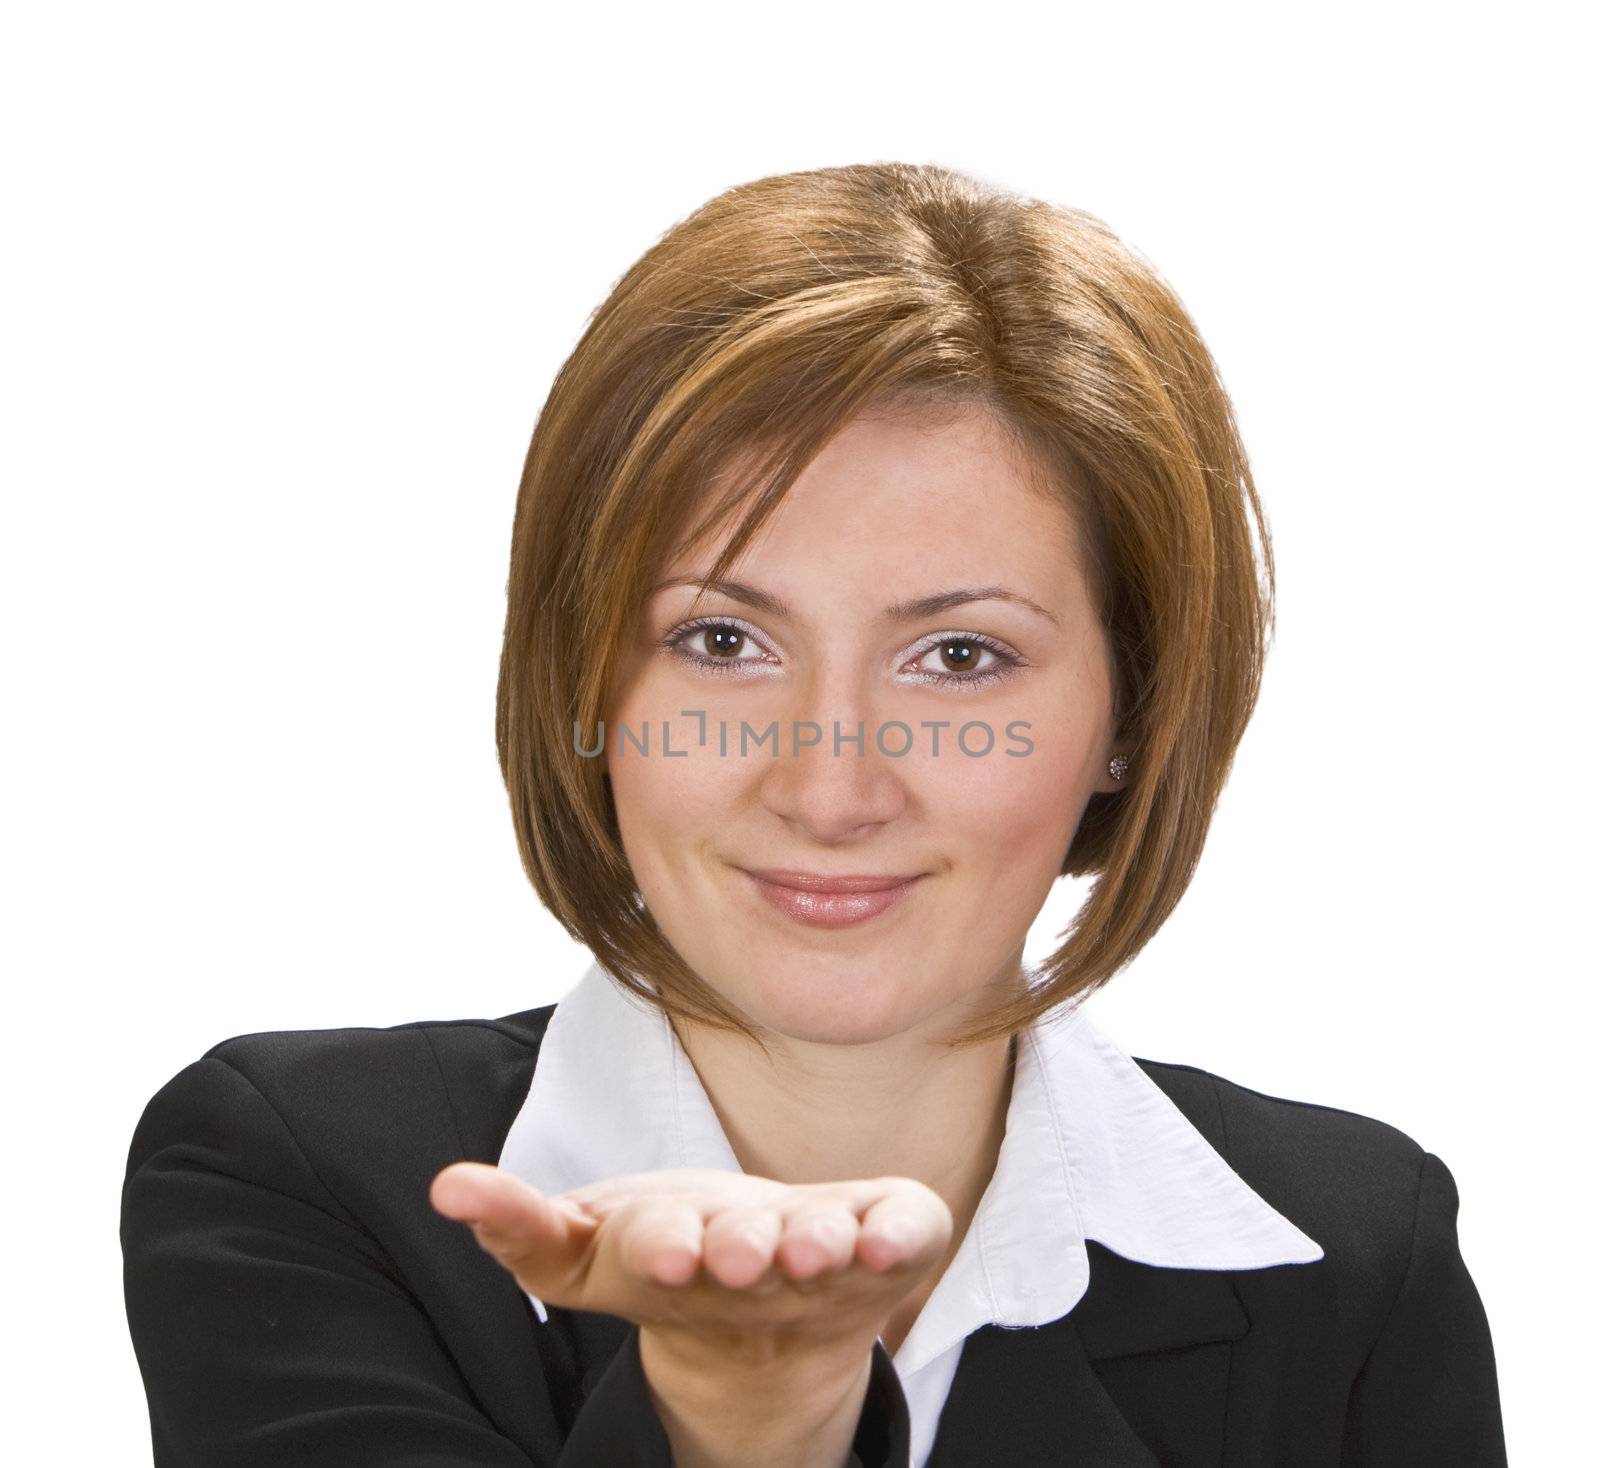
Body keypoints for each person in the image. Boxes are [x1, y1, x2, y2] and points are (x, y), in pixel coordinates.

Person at [120, 161, 1507, 1467]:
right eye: (723, 641)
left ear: (1131, 717)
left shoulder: (1354, 1256)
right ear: (585, 679)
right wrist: (740, 1425)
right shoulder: (299, 1179)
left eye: (960, 658)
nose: (831, 787)